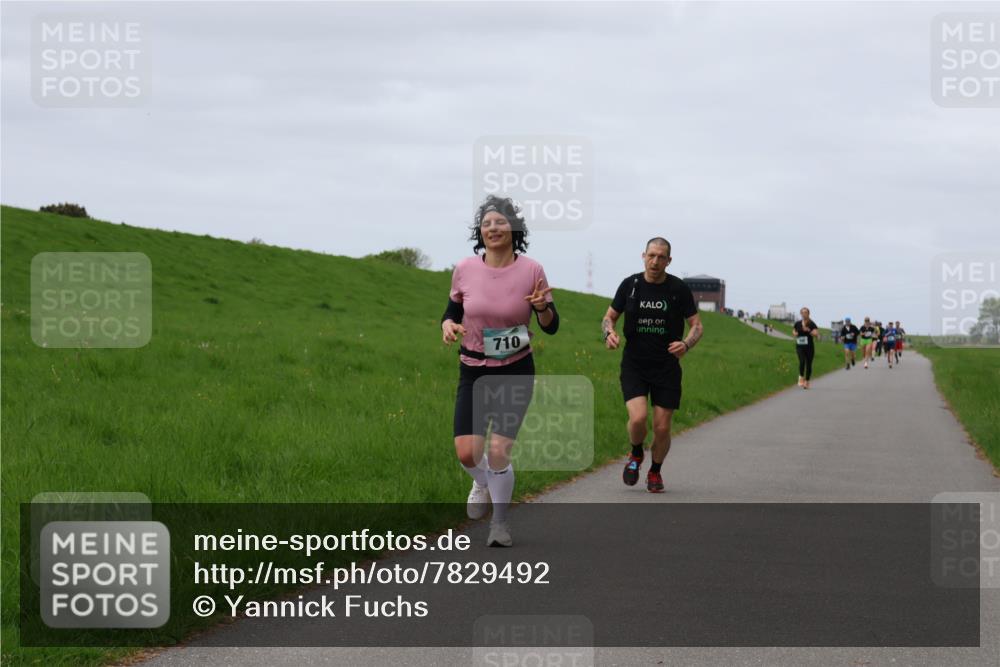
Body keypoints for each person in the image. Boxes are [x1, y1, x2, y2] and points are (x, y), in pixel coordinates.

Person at [441, 195, 559, 547]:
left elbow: (551, 325)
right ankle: (482, 483)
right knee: (467, 452)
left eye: (501, 222)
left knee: (497, 450)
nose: (493, 227)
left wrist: (542, 310)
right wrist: (448, 325)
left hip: (515, 368)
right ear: (480, 231)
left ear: (514, 229)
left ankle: (500, 524)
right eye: (487, 223)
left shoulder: (532, 270)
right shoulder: (464, 268)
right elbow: (452, 311)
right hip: (473, 368)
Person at [601, 238, 702, 493]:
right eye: (651, 255)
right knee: (638, 419)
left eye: (661, 257)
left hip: (666, 366)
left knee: (662, 427)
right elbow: (609, 317)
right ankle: (636, 454)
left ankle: (655, 471)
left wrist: (686, 345)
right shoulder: (630, 285)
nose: (655, 261)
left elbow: (697, 325)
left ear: (669, 261)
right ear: (643, 255)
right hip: (635, 363)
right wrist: (608, 334)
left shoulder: (677, 289)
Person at [793, 307, 820, 388]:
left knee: (808, 364)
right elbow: (794, 330)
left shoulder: (812, 323)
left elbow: (816, 334)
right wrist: (795, 333)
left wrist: (809, 330)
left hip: (809, 347)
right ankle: (801, 377)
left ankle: (807, 381)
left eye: (806, 312)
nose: (804, 314)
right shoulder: (797, 323)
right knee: (801, 361)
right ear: (801, 314)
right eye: (802, 312)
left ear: (808, 314)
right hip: (800, 346)